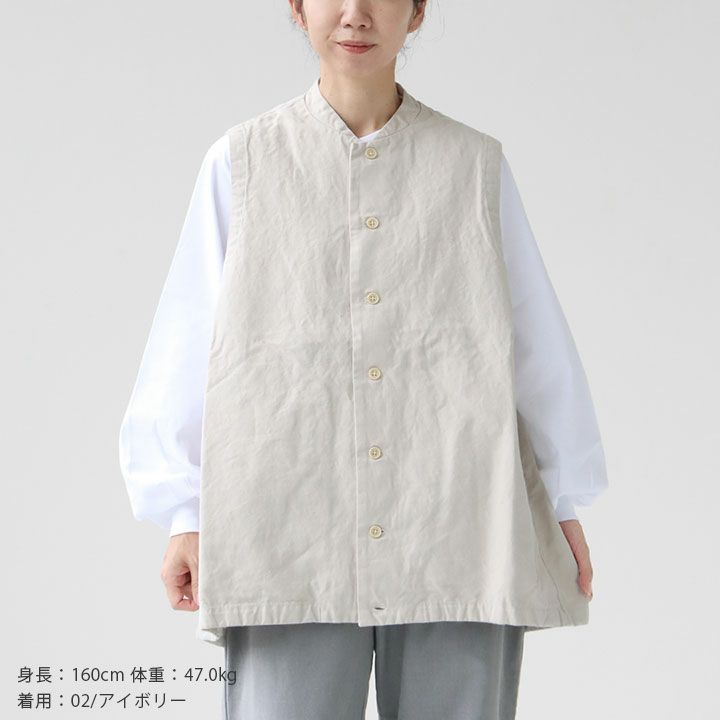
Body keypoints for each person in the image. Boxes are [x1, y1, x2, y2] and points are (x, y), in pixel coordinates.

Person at [119, 1, 608, 717]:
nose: (355, 14)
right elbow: (188, 341)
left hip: (459, 522)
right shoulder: (242, 162)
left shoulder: (474, 165)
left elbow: (535, 343)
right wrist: (184, 513)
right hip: (286, 529)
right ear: (297, 8)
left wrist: (561, 499)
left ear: (417, 11)